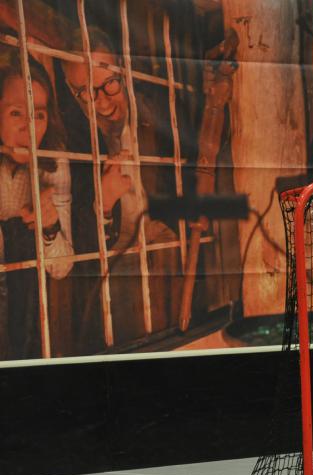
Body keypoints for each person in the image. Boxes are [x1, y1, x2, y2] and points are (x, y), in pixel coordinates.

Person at [62, 26, 183, 351]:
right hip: (115, 274)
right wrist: (103, 203)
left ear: (124, 70)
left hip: (170, 256)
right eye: (86, 92)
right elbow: (78, 249)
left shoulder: (160, 114)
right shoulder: (72, 142)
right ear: (72, 92)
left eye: (109, 83)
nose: (101, 101)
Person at [0, 57, 74, 359]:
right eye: (16, 113)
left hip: (25, 307)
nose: (29, 128)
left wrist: (49, 225)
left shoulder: (53, 160)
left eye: (39, 115)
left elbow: (62, 267)